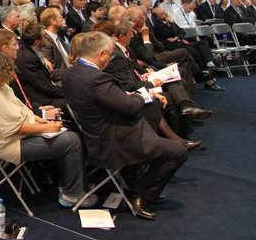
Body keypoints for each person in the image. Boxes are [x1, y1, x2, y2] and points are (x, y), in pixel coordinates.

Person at [62, 31, 188, 221]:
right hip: (114, 140)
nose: (110, 59)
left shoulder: (70, 73)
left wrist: (123, 97)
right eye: (110, 54)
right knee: (178, 152)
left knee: (152, 122)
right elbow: (129, 107)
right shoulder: (97, 79)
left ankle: (138, 182)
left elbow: (104, 101)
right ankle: (143, 194)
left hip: (98, 134)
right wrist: (139, 96)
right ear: (101, 54)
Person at [0, 51, 97, 208]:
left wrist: (39, 117)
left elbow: (16, 109)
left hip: (11, 135)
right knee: (71, 141)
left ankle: (71, 182)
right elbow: (14, 128)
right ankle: (72, 194)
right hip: (9, 145)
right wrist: (46, 127)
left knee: (65, 128)